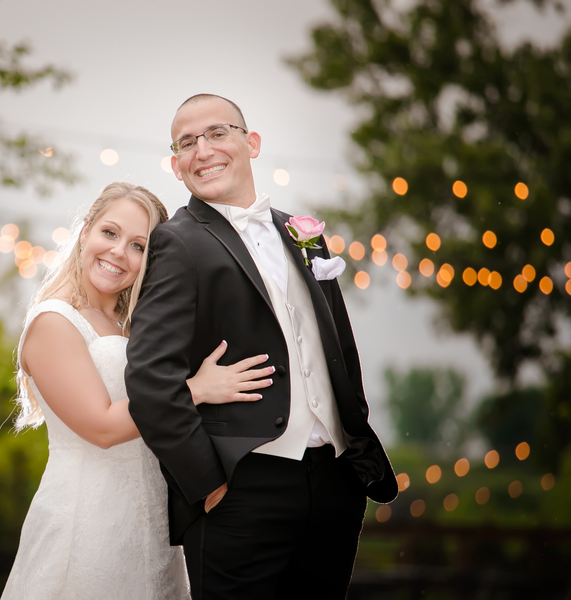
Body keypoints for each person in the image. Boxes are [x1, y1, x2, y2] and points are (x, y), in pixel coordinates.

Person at [125, 94, 399, 599]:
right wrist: (208, 483)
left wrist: (353, 450)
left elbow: (339, 345)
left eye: (217, 133)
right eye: (187, 142)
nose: (202, 149)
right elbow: (147, 380)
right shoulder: (178, 242)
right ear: (176, 164)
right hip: (242, 489)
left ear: (250, 143)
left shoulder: (303, 233)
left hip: (335, 482)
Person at [2, 182, 273, 600]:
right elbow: (103, 428)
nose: (118, 253)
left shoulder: (137, 329)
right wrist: (195, 389)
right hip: (86, 523)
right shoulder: (55, 322)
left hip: (152, 528)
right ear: (86, 229)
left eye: (138, 246)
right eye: (109, 233)